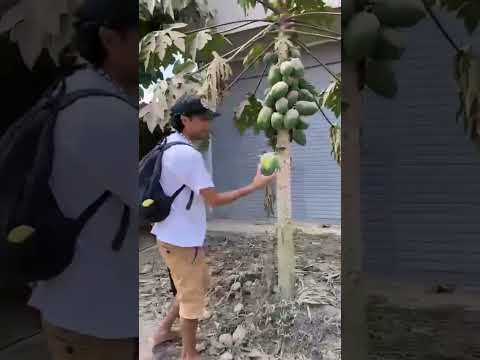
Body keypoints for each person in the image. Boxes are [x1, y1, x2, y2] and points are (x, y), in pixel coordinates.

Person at [27, 1, 139, 359]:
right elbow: (153, 202)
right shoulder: (105, 115)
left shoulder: (72, 90)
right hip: (96, 322)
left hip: (75, 306)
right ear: (110, 38)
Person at [150, 95, 276, 360]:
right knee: (192, 300)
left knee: (196, 285)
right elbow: (214, 200)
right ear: (185, 120)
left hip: (174, 235)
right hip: (181, 241)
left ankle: (163, 331)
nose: (209, 125)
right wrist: (255, 186)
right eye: (203, 120)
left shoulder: (168, 144)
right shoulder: (188, 156)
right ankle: (189, 354)